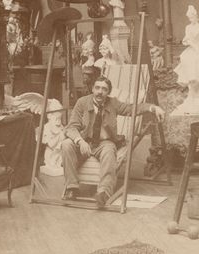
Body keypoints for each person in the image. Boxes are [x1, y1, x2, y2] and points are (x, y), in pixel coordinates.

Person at [61, 76, 165, 207]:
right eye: (97, 88)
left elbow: (131, 108)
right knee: (66, 145)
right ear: (92, 89)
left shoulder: (113, 103)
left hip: (104, 143)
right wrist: (80, 141)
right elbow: (71, 127)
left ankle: (103, 192)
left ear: (108, 92)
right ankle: (72, 187)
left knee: (109, 151)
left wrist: (153, 108)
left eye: (104, 89)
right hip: (85, 141)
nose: (100, 92)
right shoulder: (82, 102)